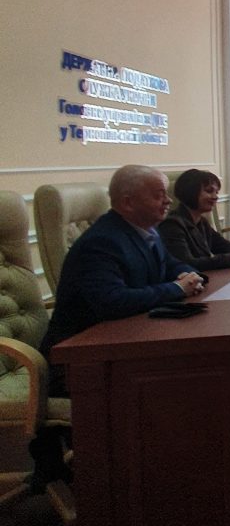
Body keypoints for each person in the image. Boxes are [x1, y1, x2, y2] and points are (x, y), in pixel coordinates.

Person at [40, 165, 205, 396]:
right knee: (190, 380)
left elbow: (170, 264)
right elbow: (113, 301)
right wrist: (177, 288)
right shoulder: (101, 242)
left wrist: (189, 275)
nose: (168, 201)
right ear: (128, 203)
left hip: (129, 341)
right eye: (159, 195)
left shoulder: (146, 230)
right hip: (82, 362)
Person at [159, 168, 230, 271]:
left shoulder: (201, 221)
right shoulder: (172, 225)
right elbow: (188, 264)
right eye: (209, 191)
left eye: (217, 192)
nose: (215, 197)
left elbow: (223, 246)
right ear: (190, 192)